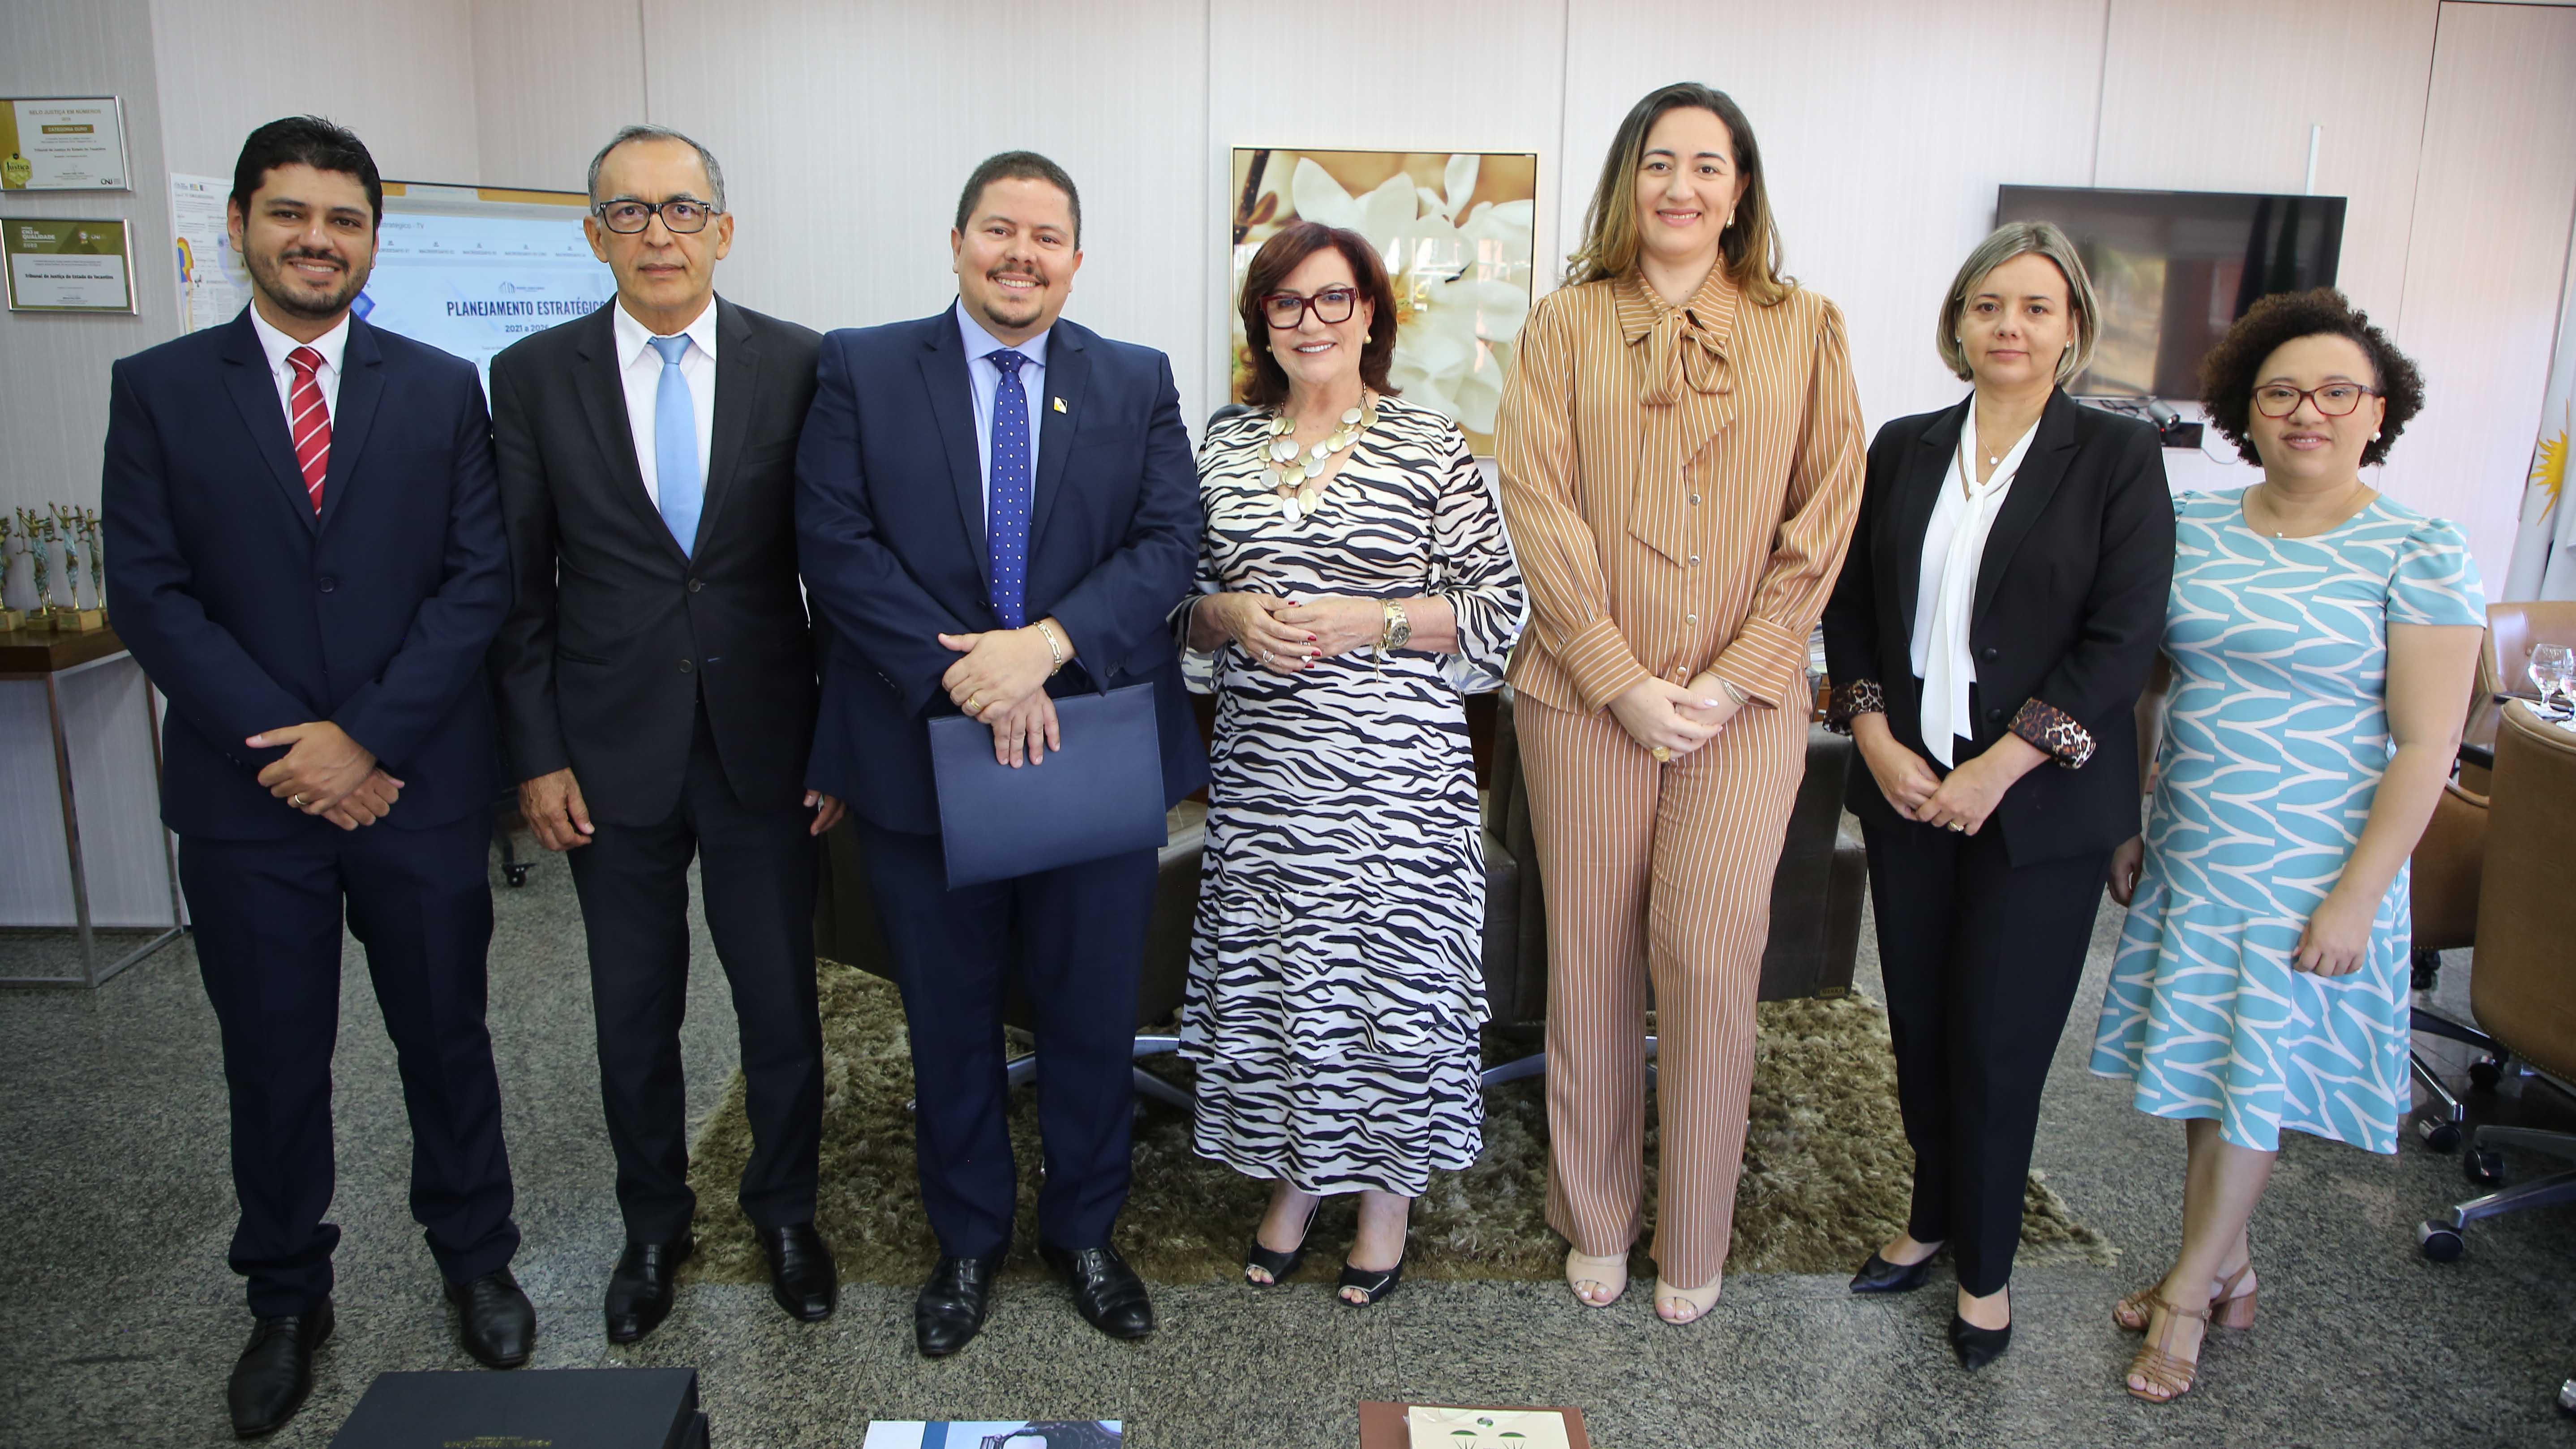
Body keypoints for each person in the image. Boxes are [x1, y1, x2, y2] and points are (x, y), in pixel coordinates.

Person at [100, 116, 532, 1439]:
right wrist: (298, 747)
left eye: (342, 220)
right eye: (290, 214)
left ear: (372, 241)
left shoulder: (440, 385)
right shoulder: (160, 388)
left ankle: (477, 1259)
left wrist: (370, 742)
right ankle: (287, 1295)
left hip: (413, 789)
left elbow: (478, 584)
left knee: (446, 1040)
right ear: (239, 223)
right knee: (273, 1060)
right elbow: (151, 595)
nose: (316, 241)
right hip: (250, 805)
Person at [796, 151, 1206, 1357]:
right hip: (922, 753)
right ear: (959, 241)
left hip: (1088, 746)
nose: (1020, 254)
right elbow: (834, 540)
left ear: (1077, 258)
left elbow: (1170, 539)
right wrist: (964, 675)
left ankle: (1086, 1231)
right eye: (998, 230)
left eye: (1046, 236)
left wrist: (1045, 646)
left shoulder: (1133, 380)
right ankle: (967, 1236)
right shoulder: (863, 367)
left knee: (1090, 1012)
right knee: (950, 1015)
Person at [1495, 81, 1865, 1324]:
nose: (1682, 187)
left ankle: (1695, 1226)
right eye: (1661, 163)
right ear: (1628, 181)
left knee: (1709, 953)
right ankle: (1594, 1211)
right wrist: (1619, 680)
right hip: (1582, 700)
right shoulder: (1563, 324)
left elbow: (1824, 519)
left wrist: (1727, 678)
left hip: (1741, 708)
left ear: (1741, 189)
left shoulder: (1806, 325)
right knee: (1592, 958)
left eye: (1710, 166)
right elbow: (1536, 509)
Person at [2090, 288, 2486, 1402]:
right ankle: (2230, 1264)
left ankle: (2184, 1297)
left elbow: (2424, 744)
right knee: (2209, 1070)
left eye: (2333, 393)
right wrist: (2127, 815)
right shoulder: (2197, 522)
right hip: (2195, 839)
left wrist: (2360, 896)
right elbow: (2142, 681)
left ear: (2376, 413)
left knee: (2252, 1078)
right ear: (2242, 412)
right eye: (2278, 393)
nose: (2305, 412)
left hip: (2313, 858)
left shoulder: (2417, 544)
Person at [487, 124, 840, 1343]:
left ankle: (787, 1210)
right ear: (594, 234)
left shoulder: (799, 365)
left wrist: (837, 744)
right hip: (605, 750)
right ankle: (654, 1222)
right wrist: (534, 753)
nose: (658, 234)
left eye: (683, 210)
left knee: (781, 1003)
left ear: (724, 231)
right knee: (632, 1009)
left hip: (767, 745)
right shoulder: (533, 376)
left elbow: (831, 575)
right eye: (629, 213)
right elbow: (521, 591)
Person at [1819, 222, 2173, 1369]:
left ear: (2070, 325)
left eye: (2032, 307)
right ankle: (1929, 1220)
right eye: (1986, 306)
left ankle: (1985, 1268)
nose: (2007, 327)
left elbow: (2121, 642)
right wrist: (1868, 732)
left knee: (1998, 1036)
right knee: (1918, 1021)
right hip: (1908, 781)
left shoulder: (2116, 456)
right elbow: (1853, 606)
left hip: (2037, 801)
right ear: (1956, 322)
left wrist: (2001, 764)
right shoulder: (1905, 445)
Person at [1180, 221, 1524, 1307]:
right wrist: (1227, 613)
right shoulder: (1221, 446)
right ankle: (1293, 1177)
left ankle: (1385, 1197)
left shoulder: (1431, 444)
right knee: (1287, 986)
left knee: (1387, 991)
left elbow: (1499, 614)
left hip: (1394, 788)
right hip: (1264, 785)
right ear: (1262, 324)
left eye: (1333, 299)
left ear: (1371, 313)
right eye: (1286, 302)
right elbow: (1174, 606)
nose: (1311, 321)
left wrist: (1372, 619)